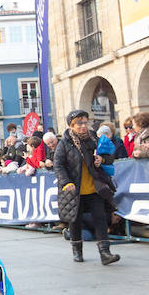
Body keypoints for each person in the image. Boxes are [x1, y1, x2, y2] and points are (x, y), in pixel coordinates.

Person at [54, 110, 120, 265]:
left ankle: (105, 253)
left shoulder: (94, 139)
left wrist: (102, 159)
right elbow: (58, 165)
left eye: (85, 122)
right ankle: (77, 250)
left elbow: (110, 156)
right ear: (71, 125)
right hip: (74, 189)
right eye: (79, 123)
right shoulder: (64, 143)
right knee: (75, 221)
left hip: (93, 187)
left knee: (100, 218)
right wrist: (66, 182)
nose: (83, 126)